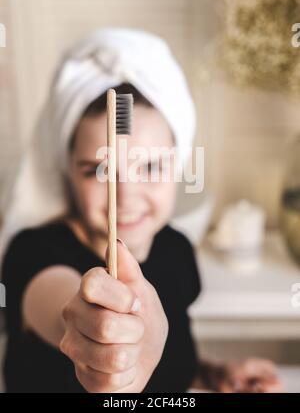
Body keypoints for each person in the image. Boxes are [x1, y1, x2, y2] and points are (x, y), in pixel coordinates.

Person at [0, 29, 283, 393]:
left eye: (150, 167)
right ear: (68, 173)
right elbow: (64, 311)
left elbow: (166, 364)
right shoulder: (33, 253)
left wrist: (212, 375)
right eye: (99, 170)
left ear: (178, 167)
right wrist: (99, 338)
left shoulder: (176, 249)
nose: (127, 195)